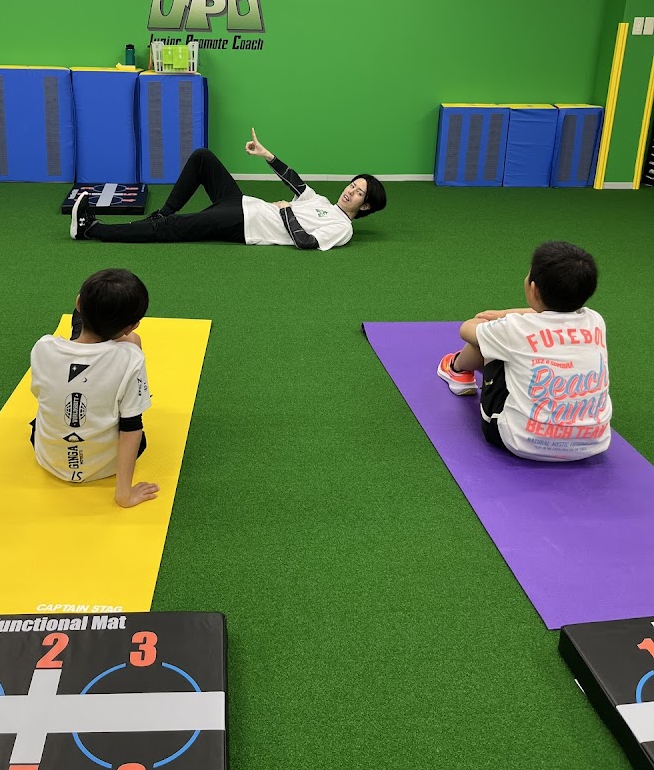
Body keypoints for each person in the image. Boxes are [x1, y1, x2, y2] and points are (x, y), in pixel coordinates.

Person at [437, 241, 611, 462]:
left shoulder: (515, 328)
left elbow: (467, 330)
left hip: (519, 441)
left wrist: (494, 319)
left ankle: (457, 370)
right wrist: (505, 314)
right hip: (592, 443)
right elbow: (551, 316)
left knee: (489, 341)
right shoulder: (595, 321)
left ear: (533, 288)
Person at [70, 129, 386, 251]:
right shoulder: (322, 202)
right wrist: (267, 155)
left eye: (359, 193)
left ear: (366, 206)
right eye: (353, 185)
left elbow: (306, 242)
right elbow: (295, 182)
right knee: (203, 157)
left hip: (243, 223)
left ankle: (92, 230)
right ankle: (162, 212)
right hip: (243, 202)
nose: (350, 191)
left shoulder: (342, 228)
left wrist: (286, 211)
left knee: (172, 229)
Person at [30, 268, 159, 507]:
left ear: (79, 302)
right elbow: (131, 428)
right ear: (132, 325)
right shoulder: (131, 357)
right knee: (132, 345)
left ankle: (86, 334)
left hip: (49, 459)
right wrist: (123, 495)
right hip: (105, 467)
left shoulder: (42, 347)